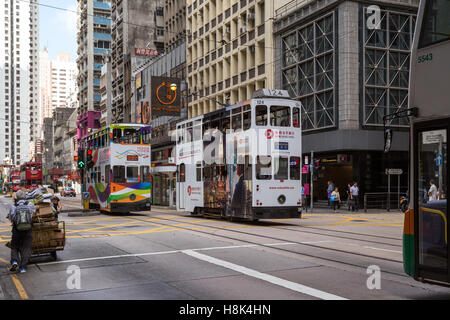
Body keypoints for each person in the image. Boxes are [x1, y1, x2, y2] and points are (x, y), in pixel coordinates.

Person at [7, 190, 36, 273]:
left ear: (17, 197)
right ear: (25, 197)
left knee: (14, 246)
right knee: (26, 248)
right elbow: (33, 215)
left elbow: (11, 219)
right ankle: (22, 268)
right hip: (28, 230)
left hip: (17, 230)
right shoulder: (30, 204)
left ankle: (15, 261)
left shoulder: (13, 206)